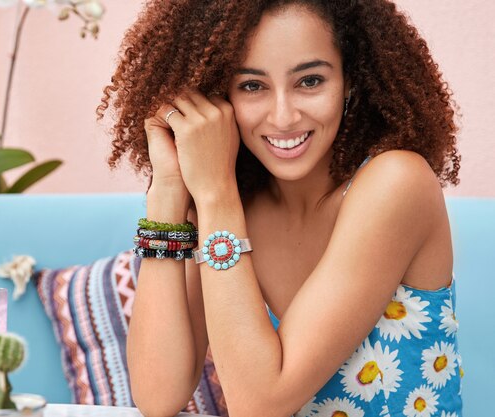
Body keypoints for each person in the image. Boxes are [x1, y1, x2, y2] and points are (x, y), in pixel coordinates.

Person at [98, 0, 462, 416]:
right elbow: (158, 396)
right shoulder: (230, 204)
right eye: (252, 86)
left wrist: (216, 194)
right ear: (219, 96)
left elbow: (258, 404)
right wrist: (167, 189)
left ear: (351, 81)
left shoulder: (397, 182)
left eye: (309, 81)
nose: (284, 116)